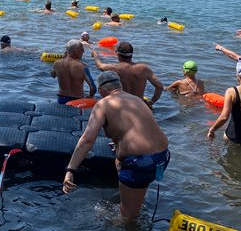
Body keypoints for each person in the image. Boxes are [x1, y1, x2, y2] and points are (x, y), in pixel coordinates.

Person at [63, 71, 169, 221]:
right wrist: (120, 144)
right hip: (162, 157)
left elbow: (87, 139)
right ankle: (133, 202)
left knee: (125, 219)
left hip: (140, 163)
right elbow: (142, 129)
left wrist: (70, 170)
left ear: (101, 90)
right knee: (120, 162)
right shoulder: (137, 100)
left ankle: (128, 217)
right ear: (120, 86)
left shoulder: (103, 104)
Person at [92, 42, 163, 106]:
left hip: (121, 106)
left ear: (117, 54)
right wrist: (151, 102)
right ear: (132, 54)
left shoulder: (114, 68)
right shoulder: (144, 69)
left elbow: (99, 65)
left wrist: (95, 55)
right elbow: (159, 87)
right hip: (139, 105)